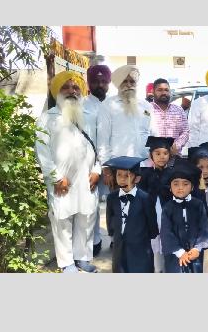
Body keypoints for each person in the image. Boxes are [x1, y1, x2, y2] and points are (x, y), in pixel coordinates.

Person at [35, 71, 101, 273]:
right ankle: (66, 262)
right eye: (65, 87)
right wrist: (55, 178)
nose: (72, 91)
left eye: (75, 87)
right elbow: (42, 151)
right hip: (61, 180)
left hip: (87, 177)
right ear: (57, 92)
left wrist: (97, 170)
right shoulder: (47, 118)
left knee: (86, 217)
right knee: (62, 220)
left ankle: (82, 257)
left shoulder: (89, 116)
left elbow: (99, 147)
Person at [97, 65, 153, 188]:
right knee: (120, 200)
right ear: (118, 83)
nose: (129, 85)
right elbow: (102, 140)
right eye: (124, 81)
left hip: (144, 166)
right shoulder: (108, 105)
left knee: (145, 200)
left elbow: (152, 133)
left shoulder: (145, 105)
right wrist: (106, 168)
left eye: (132, 81)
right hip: (119, 168)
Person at [104, 156, 159, 273]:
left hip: (140, 249)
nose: (122, 179)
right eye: (119, 175)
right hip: (119, 248)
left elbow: (152, 224)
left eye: (127, 176)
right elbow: (110, 218)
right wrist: (113, 233)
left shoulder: (145, 198)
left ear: (137, 178)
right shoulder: (112, 197)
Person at [161, 158, 208, 273]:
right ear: (170, 188)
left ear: (192, 187)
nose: (180, 187)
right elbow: (166, 232)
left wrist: (197, 248)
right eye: (176, 184)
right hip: (175, 254)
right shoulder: (167, 207)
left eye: (185, 184)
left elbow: (204, 227)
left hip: (194, 254)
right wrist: (180, 252)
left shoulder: (198, 205)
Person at [83, 64, 112, 256]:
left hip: (111, 163)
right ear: (89, 83)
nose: (100, 85)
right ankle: (94, 241)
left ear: (109, 83)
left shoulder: (115, 105)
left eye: (103, 81)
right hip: (89, 165)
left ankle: (116, 238)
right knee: (91, 205)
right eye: (95, 81)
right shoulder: (81, 105)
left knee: (115, 203)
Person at [137, 136, 175, 272]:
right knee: (154, 239)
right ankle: (157, 268)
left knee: (167, 237)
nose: (161, 157)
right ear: (151, 155)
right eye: (157, 153)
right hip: (151, 210)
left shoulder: (173, 173)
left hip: (168, 210)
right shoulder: (145, 173)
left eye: (165, 153)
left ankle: (169, 267)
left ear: (170, 155)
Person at [149, 78, 190, 157]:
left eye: (166, 90)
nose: (164, 93)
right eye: (160, 90)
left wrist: (177, 145)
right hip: (152, 158)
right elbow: (142, 132)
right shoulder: (147, 110)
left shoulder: (178, 110)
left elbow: (186, 131)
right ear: (153, 92)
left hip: (174, 156)